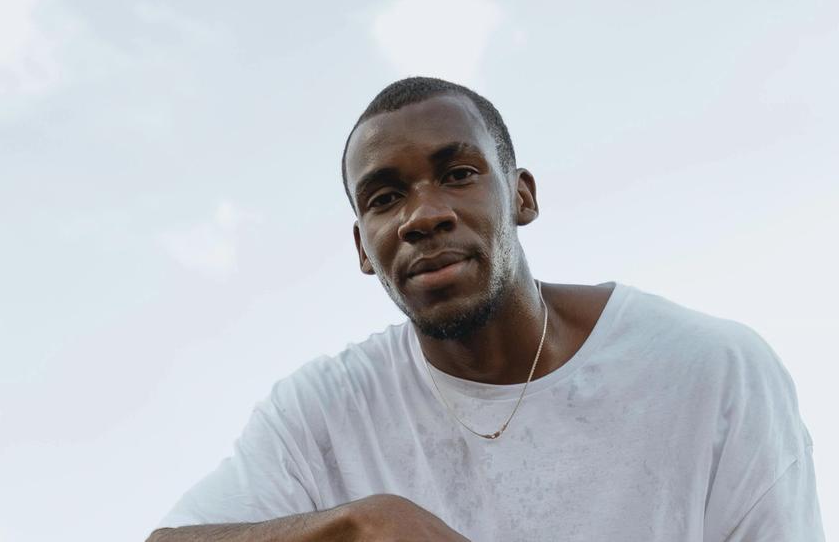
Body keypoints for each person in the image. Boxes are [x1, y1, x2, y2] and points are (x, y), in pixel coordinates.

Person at [146, 77, 824, 541]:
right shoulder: (323, 411)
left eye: (458, 173)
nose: (424, 214)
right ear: (362, 247)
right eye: (384, 197)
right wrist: (358, 523)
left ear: (521, 195)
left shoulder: (709, 371)